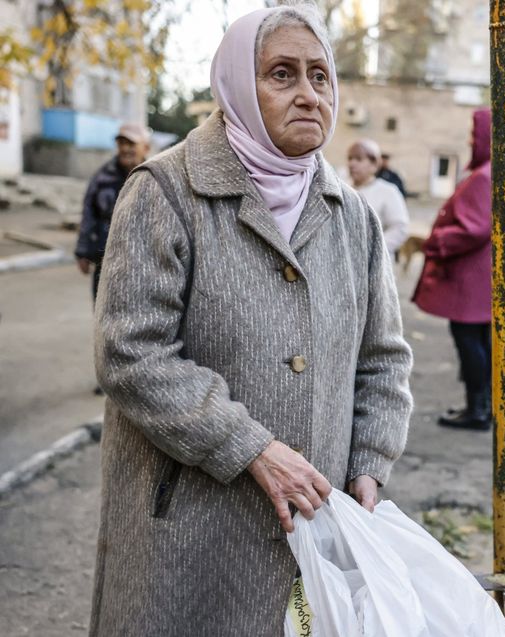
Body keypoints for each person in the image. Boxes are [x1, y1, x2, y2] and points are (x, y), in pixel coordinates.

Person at [88, 6, 413, 635]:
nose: (307, 95)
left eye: (320, 77)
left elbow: (384, 358)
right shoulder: (165, 191)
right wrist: (252, 448)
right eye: (282, 74)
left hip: (312, 524)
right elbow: (132, 353)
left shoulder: (353, 216)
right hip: (189, 521)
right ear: (238, 85)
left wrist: (370, 462)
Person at [413, 109, 493, 431]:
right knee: (480, 344)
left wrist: (436, 242)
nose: (471, 141)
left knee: (470, 343)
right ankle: (484, 404)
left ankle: (478, 409)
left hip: (469, 281)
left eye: (476, 135)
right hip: (478, 279)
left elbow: (475, 228)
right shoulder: (494, 172)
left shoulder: (484, 176)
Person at [75, 123, 150, 301]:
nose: (125, 149)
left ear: (145, 147)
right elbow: (88, 213)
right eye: (121, 144)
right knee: (104, 310)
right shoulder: (102, 177)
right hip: (107, 258)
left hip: (145, 260)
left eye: (131, 144)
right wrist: (83, 251)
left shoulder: (155, 175)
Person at [347, 137, 410, 254]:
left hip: (373, 265)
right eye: (350, 158)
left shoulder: (388, 191)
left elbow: (400, 228)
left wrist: (374, 250)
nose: (352, 164)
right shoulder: (343, 189)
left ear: (374, 165)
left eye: (359, 159)